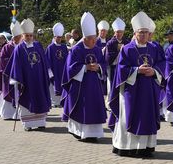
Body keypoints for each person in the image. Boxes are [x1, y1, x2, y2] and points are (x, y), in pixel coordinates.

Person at [111, 12, 165, 158]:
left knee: (147, 115)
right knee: (130, 116)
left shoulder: (153, 48)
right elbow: (121, 69)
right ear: (135, 33)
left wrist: (154, 71)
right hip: (131, 91)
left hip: (149, 90)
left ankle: (147, 147)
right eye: (141, 33)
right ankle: (128, 147)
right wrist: (137, 70)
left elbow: (161, 64)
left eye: (146, 33)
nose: (143, 35)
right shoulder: (127, 49)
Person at [62, 13, 108, 142]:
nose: (94, 41)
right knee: (82, 109)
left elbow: (104, 64)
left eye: (95, 38)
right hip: (80, 86)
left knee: (94, 107)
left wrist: (98, 67)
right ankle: (79, 132)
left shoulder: (98, 50)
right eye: (92, 39)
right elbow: (70, 68)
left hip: (95, 85)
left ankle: (94, 133)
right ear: (85, 38)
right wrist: (85, 68)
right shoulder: (76, 50)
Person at [9, 19, 52, 129]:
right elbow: (16, 64)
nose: (29, 38)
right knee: (27, 99)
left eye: (30, 35)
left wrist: (48, 73)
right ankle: (28, 124)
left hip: (39, 79)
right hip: (26, 81)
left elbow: (44, 61)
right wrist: (17, 78)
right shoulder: (19, 48)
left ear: (33, 36)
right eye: (26, 36)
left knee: (40, 98)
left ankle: (40, 122)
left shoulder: (38, 46)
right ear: (22, 36)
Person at [105, 18, 129, 129]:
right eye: (117, 32)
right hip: (114, 68)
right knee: (113, 87)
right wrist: (120, 53)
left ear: (123, 32)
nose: (119, 34)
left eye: (121, 32)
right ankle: (112, 104)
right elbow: (108, 58)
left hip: (125, 69)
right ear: (114, 32)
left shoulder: (127, 41)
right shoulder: (110, 43)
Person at [0, 21, 24, 120]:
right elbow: (2, 60)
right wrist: (13, 65)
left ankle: (20, 113)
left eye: (20, 36)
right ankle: (8, 114)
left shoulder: (23, 46)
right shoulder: (7, 47)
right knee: (10, 92)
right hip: (9, 75)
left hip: (21, 74)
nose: (19, 38)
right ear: (13, 37)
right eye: (17, 37)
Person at [46, 22, 69, 107]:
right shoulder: (50, 47)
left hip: (63, 69)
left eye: (60, 37)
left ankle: (63, 100)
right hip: (54, 69)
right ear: (54, 37)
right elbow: (47, 60)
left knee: (63, 83)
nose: (59, 39)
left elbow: (67, 59)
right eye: (57, 37)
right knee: (54, 85)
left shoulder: (64, 47)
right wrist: (50, 72)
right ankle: (55, 102)